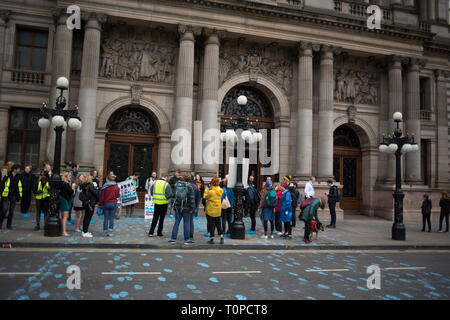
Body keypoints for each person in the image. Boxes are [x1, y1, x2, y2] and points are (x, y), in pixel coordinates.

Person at [169, 173, 196, 245]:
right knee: (186, 223)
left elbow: (173, 196)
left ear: (183, 178)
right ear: (189, 179)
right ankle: (187, 239)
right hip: (186, 208)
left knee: (176, 223)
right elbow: (192, 199)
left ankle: (173, 239)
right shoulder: (189, 187)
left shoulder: (177, 185)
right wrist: (192, 208)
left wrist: (173, 206)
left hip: (177, 208)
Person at [149, 171, 173, 237]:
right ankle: (159, 233)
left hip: (156, 203)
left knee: (155, 218)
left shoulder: (155, 182)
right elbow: (169, 195)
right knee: (161, 219)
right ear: (166, 177)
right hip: (164, 203)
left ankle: (151, 232)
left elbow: (151, 192)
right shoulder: (166, 184)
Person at [0, 164, 22, 230]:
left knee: (11, 211)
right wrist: (1, 194)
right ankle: (0, 223)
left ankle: (8, 225)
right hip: (6, 195)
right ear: (14, 169)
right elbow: (2, 186)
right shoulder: (7, 176)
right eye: (18, 169)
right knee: (4, 209)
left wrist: (19, 196)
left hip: (14, 196)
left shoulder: (19, 177)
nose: (19, 170)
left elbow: (20, 187)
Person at [98, 172, 121, 237]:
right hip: (113, 203)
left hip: (106, 203)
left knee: (106, 218)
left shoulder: (105, 187)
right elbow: (118, 195)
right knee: (111, 218)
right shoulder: (116, 186)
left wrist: (100, 204)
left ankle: (105, 231)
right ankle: (110, 232)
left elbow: (102, 197)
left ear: (107, 179)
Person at [204, 177, 224, 244]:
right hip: (218, 209)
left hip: (211, 209)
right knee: (218, 223)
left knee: (211, 224)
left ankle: (212, 238)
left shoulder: (211, 191)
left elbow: (205, 197)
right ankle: (221, 237)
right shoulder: (221, 190)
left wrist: (206, 190)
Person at [60, 172, 75, 236]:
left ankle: (62, 230)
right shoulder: (65, 184)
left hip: (63, 199)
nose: (70, 177)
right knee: (65, 216)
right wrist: (73, 187)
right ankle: (64, 231)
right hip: (64, 200)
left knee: (63, 216)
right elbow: (70, 192)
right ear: (66, 177)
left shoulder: (63, 183)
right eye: (69, 176)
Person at [189, 175, 201, 241]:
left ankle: (187, 234)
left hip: (186, 206)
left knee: (186, 221)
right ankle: (191, 234)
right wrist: (196, 206)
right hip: (193, 205)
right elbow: (197, 197)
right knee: (191, 220)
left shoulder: (186, 186)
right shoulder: (195, 186)